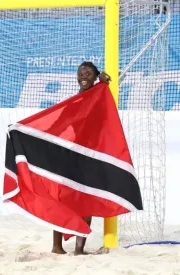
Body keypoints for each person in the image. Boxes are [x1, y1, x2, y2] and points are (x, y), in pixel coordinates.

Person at [51, 61, 111, 256]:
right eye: (80, 73)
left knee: (86, 200)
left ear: (95, 76)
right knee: (64, 200)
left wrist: (104, 84)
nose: (83, 76)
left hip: (90, 157)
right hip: (73, 156)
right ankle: (58, 247)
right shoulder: (75, 101)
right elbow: (57, 124)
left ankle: (78, 249)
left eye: (88, 73)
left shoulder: (98, 94)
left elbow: (103, 105)